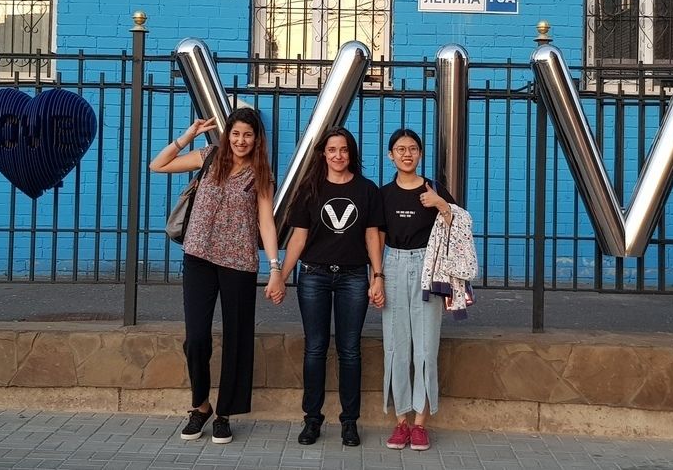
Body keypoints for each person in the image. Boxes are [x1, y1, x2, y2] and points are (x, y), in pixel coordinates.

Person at [149, 109, 285, 444]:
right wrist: (188, 135)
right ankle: (201, 405)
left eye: (248, 135)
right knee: (196, 337)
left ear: (257, 139)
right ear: (227, 135)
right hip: (198, 257)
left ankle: (225, 414)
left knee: (237, 339)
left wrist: (275, 268)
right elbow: (158, 165)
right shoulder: (209, 156)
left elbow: (266, 222)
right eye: (236, 133)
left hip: (239, 263)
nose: (241, 140)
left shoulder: (261, 173)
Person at [274, 127, 385, 447]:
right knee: (315, 348)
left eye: (344, 149)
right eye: (333, 149)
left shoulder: (367, 189)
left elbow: (372, 235)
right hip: (314, 276)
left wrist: (377, 276)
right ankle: (312, 419)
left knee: (350, 349)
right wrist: (281, 274)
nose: (338, 155)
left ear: (352, 153)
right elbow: (299, 238)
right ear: (323, 153)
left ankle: (350, 422)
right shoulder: (310, 188)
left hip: (353, 277)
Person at [377, 129, 454, 451]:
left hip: (428, 266)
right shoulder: (383, 194)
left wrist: (441, 204)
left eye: (412, 148)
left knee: (425, 346)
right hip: (394, 263)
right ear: (390, 155)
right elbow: (377, 236)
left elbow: (457, 229)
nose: (406, 154)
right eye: (400, 149)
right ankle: (401, 421)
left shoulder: (434, 189)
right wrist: (377, 276)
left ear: (420, 153)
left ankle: (420, 423)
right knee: (396, 346)